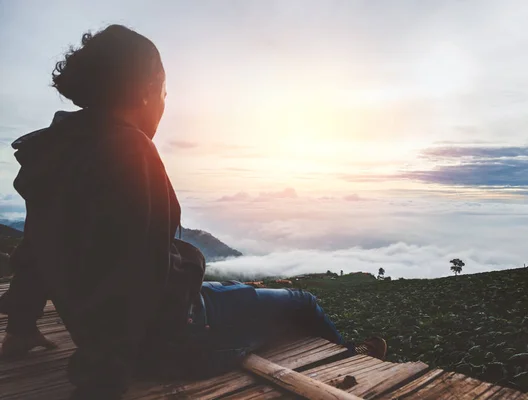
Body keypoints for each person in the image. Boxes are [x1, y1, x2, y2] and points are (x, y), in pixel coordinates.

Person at [0, 25, 386, 399]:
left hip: (147, 321)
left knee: (236, 291)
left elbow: (37, 248)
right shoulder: (129, 149)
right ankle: (353, 361)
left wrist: (19, 325)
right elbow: (136, 274)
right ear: (148, 91)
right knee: (302, 301)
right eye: (166, 91)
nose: (165, 103)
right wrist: (101, 382)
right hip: (175, 339)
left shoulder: (53, 150)